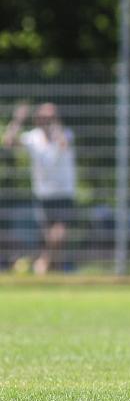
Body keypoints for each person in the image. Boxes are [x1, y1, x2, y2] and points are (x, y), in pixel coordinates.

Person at [2, 102, 77, 274]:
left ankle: (44, 262)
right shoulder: (33, 137)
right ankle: (53, 270)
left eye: (50, 117)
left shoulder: (65, 133)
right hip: (43, 194)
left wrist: (55, 126)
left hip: (64, 193)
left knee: (58, 234)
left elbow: (63, 144)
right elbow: (9, 142)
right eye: (44, 117)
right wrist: (18, 120)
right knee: (50, 238)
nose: (46, 121)